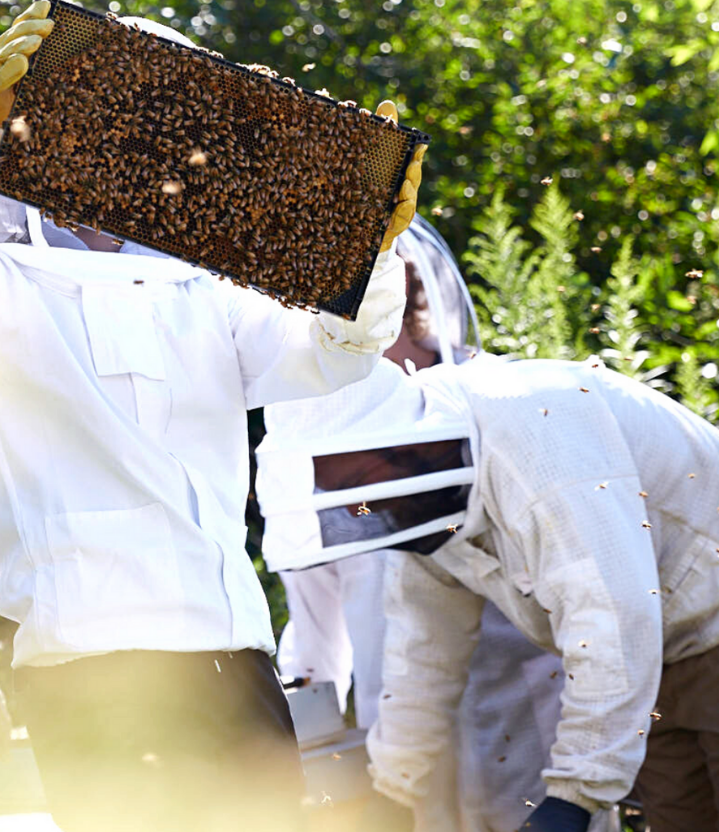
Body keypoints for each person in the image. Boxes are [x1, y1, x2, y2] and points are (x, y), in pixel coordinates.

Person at [0, 1, 422, 832]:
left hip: (231, 651)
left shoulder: (207, 289)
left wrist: (363, 250)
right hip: (85, 666)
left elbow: (335, 354)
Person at [257, 347, 719, 832]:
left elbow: (609, 616)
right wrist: (392, 788)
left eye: (356, 483)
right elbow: (423, 650)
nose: (358, 512)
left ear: (392, 442)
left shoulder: (536, 432)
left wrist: (572, 797)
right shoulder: (428, 497)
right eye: (341, 495)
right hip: (658, 663)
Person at [262, 219, 616, 832]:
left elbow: (590, 591)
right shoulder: (325, 446)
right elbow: (317, 622)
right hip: (398, 739)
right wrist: (305, 728)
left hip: (526, 721)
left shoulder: (497, 403)